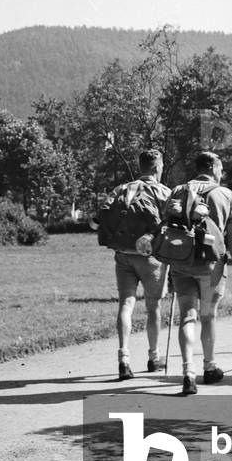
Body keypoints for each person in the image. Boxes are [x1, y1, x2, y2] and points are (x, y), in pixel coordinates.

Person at [142, 151, 232, 396]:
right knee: (208, 316)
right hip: (212, 266)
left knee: (187, 316)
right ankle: (209, 368)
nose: (222, 173)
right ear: (213, 168)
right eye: (220, 169)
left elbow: (166, 226)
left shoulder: (178, 190)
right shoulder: (225, 194)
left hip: (181, 263)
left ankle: (188, 373)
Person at [94, 148, 171, 381]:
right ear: (158, 167)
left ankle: (124, 358)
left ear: (140, 167)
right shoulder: (163, 191)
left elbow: (98, 220)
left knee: (126, 304)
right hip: (151, 258)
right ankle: (153, 357)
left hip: (123, 255)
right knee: (153, 306)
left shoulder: (121, 189)